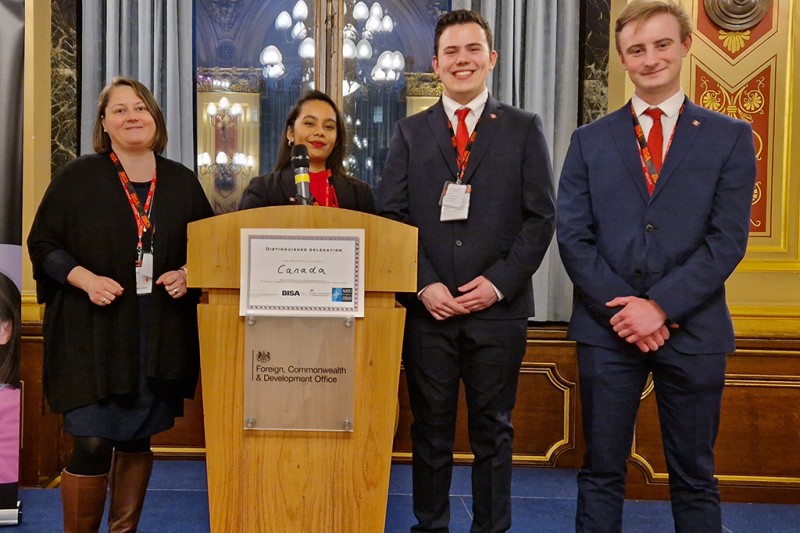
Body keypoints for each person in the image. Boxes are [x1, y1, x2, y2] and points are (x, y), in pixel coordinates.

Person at [556, 2, 757, 532]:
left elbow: (727, 240)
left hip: (694, 331)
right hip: (608, 329)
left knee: (694, 474)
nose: (650, 59)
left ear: (686, 47)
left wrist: (661, 307)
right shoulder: (588, 141)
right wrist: (628, 311)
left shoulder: (730, 137)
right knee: (600, 471)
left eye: (661, 45)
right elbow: (574, 238)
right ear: (622, 59)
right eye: (637, 50)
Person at [379, 10, 556, 532]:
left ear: (491, 58)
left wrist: (499, 283)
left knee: (493, 432)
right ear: (436, 64)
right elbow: (393, 216)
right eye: (451, 52)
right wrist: (424, 283)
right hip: (428, 313)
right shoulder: (411, 132)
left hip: (497, 314)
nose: (462, 60)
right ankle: (429, 525)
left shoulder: (523, 128)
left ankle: (491, 528)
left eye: (472, 49)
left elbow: (540, 217)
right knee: (429, 432)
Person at [28, 76, 213, 533]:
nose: (133, 116)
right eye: (120, 110)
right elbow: (43, 244)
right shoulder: (78, 177)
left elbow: (210, 247)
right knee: (91, 441)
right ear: (105, 124)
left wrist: (188, 273)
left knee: (136, 441)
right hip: (90, 331)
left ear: (155, 118)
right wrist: (85, 279)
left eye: (141, 108)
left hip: (157, 334)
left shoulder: (182, 181)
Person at [239, 90, 375, 213]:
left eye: (329, 126)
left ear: (337, 139)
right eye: (310, 123)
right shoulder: (263, 190)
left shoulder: (360, 194)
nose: (320, 132)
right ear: (291, 133)